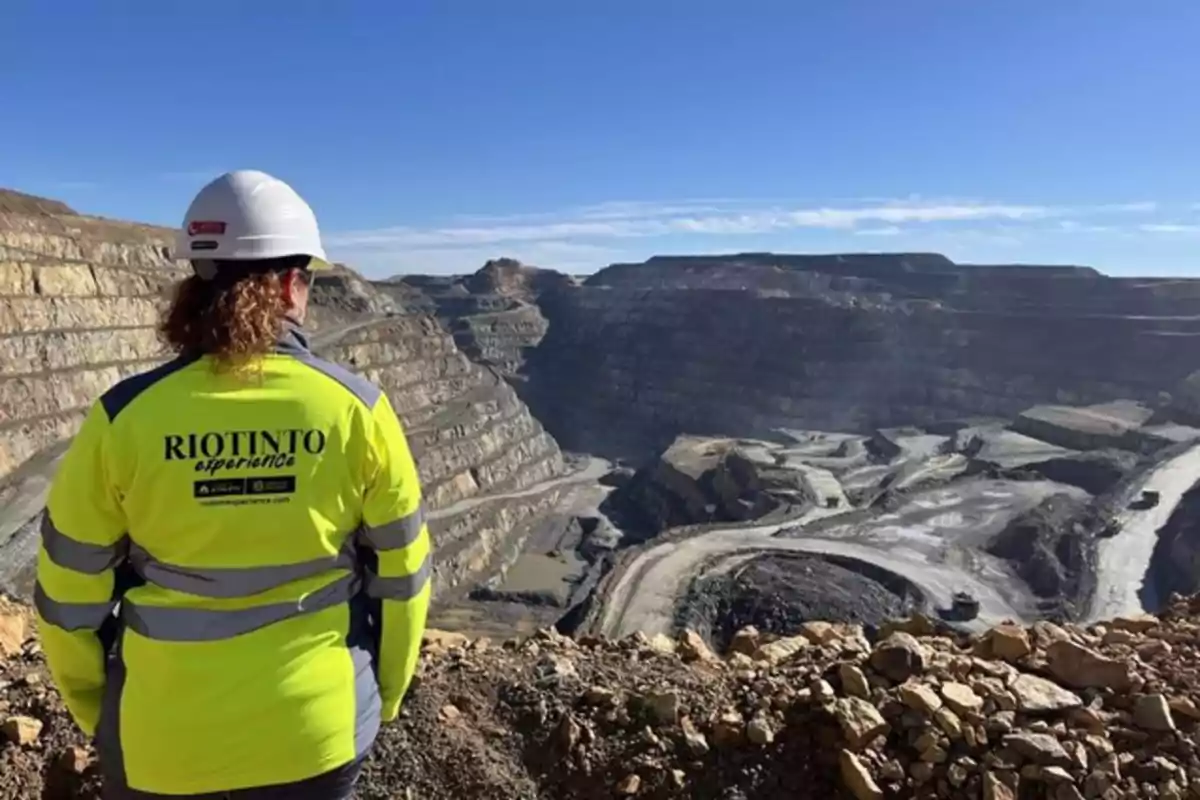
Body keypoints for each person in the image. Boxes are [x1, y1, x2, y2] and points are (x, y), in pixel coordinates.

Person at [33, 170, 431, 798]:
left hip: (163, 743)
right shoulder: (359, 411)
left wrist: (98, 709)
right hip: (317, 733)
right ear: (294, 286)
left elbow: (66, 595)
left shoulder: (123, 418)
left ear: (195, 285)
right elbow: (402, 580)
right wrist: (382, 695)